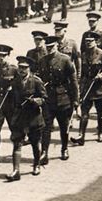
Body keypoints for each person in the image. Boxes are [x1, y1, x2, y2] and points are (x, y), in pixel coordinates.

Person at [38, 36, 79, 164]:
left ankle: (64, 148)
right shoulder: (42, 61)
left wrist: (75, 99)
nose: (49, 49)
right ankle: (44, 152)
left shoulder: (65, 60)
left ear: (56, 46)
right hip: (48, 99)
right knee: (46, 127)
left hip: (63, 98)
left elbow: (73, 81)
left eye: (52, 47)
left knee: (64, 126)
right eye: (47, 47)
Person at [5, 57, 46, 181]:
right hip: (20, 117)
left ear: (29, 68)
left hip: (33, 116)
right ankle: (16, 171)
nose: (22, 70)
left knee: (35, 142)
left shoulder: (37, 81)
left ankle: (36, 165)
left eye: (24, 68)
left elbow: (44, 98)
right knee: (16, 143)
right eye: (20, 67)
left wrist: (36, 101)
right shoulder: (14, 82)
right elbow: (10, 99)